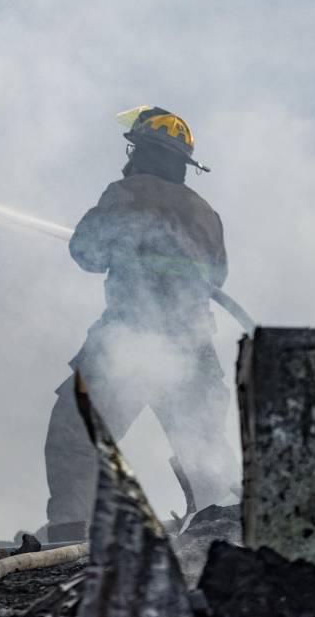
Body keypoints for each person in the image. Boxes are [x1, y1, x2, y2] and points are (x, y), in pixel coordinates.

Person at [42, 106, 238, 541]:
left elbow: (86, 253)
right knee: (204, 450)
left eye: (134, 149)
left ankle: (71, 533)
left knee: (76, 429)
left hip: (128, 338)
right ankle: (224, 534)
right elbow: (217, 278)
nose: (127, 159)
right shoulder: (208, 214)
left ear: (146, 152)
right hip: (194, 350)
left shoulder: (128, 192)